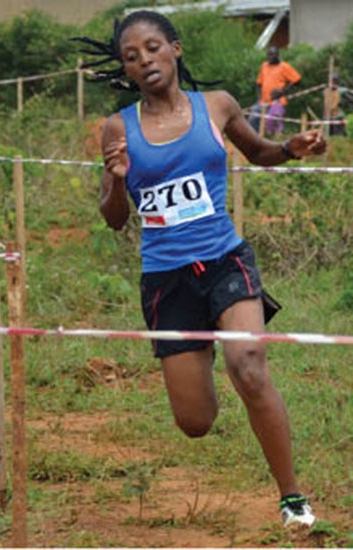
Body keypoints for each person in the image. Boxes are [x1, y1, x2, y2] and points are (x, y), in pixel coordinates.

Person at [75, 10, 325, 529]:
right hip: (166, 278)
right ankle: (202, 352)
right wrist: (117, 180)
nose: (144, 60)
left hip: (224, 259)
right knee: (195, 422)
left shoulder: (216, 106)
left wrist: (291, 149)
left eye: (152, 48)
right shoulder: (118, 128)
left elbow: (260, 152)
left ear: (175, 49)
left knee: (251, 365)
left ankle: (292, 498)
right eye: (131, 56)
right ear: (125, 69)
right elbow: (114, 220)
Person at [249, 45, 301, 132]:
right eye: (269, 55)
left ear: (277, 55)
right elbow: (258, 84)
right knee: (252, 119)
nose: (270, 57)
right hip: (263, 102)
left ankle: (273, 141)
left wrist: (284, 91)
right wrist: (259, 98)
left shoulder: (284, 66)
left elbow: (297, 81)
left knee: (273, 124)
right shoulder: (264, 66)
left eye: (273, 54)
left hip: (277, 102)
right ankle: (254, 140)